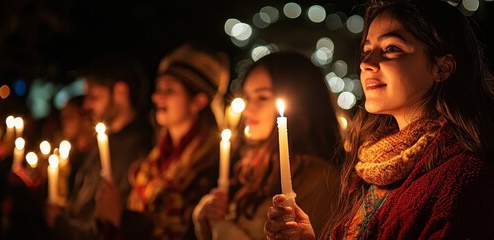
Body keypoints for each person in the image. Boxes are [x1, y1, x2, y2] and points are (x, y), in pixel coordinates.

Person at [264, 0, 494, 239]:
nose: (367, 63)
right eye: (367, 50)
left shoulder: (470, 184)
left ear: (442, 67)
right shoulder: (376, 171)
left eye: (392, 48)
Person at [192, 51, 343, 239]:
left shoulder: (320, 179)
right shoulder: (249, 167)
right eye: (247, 97)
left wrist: (220, 226)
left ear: (299, 103)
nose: (248, 109)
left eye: (262, 97)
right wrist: (206, 216)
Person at [93, 43, 229, 240]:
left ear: (198, 101)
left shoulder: (210, 166)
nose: (157, 97)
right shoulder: (152, 157)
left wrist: (119, 220)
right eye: (158, 88)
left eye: (170, 89)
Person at [47, 56, 153, 240]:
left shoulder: (138, 149)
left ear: (120, 92)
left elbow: (106, 222)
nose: (86, 105)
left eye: (94, 96)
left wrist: (59, 224)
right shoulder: (104, 140)